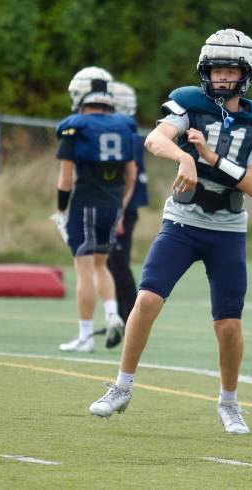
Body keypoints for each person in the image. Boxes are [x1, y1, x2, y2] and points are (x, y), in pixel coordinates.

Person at [89, 29, 252, 436]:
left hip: (228, 228)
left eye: (229, 71)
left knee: (228, 323)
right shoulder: (189, 103)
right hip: (183, 221)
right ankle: (122, 386)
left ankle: (229, 403)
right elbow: (155, 139)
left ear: (246, 74)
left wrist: (210, 158)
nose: (219, 79)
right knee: (147, 299)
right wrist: (184, 158)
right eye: (214, 70)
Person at [53, 67, 137, 353]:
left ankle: (86, 336)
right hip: (112, 204)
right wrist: (121, 206)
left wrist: (62, 210)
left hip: (85, 203)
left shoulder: (74, 126)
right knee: (101, 265)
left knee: (84, 269)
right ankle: (113, 314)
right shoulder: (124, 125)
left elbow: (65, 179)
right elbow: (131, 173)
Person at [105, 81, 148, 331]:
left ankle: (132, 318)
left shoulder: (127, 133)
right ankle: (118, 317)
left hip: (123, 208)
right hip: (117, 206)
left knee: (118, 262)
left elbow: (128, 176)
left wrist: (119, 213)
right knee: (110, 264)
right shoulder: (123, 131)